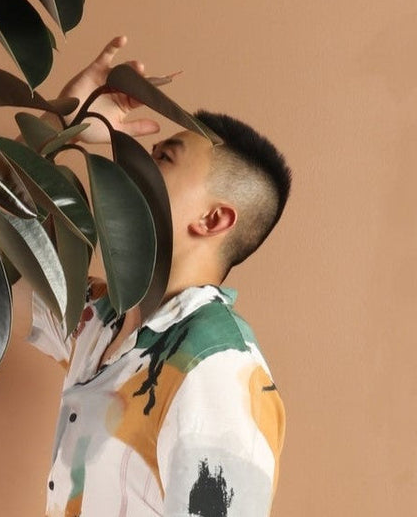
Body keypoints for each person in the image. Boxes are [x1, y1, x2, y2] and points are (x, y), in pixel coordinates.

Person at [27, 36, 291, 517]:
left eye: (163, 158)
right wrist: (59, 127)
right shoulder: (101, 319)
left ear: (212, 221)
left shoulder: (215, 369)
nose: (134, 162)